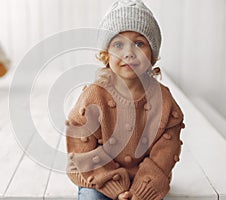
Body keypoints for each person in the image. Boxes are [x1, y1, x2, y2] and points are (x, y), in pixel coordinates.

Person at [66, 0, 185, 199]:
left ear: (152, 55)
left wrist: (139, 192)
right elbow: (82, 150)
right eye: (118, 44)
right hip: (98, 178)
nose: (129, 53)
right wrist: (117, 189)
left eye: (139, 43)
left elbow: (164, 154)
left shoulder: (163, 101)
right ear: (106, 55)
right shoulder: (94, 97)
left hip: (146, 183)